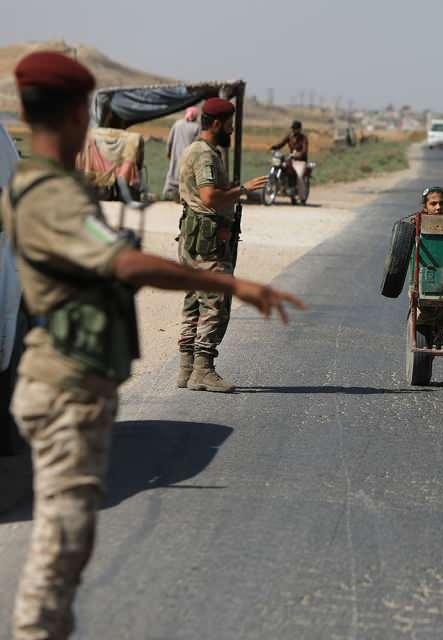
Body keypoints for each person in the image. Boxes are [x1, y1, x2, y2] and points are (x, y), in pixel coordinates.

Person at [0, 52, 304, 640]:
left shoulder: (32, 184)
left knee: (64, 541)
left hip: (57, 375)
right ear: (68, 115)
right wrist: (227, 281)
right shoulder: (47, 193)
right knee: (61, 543)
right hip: (63, 385)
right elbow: (126, 263)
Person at [176, 99, 270, 392]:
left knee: (194, 301)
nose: (231, 129)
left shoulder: (196, 150)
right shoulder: (205, 156)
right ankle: (203, 369)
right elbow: (209, 197)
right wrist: (243, 190)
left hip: (192, 236)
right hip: (208, 240)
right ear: (216, 124)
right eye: (229, 124)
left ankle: (187, 369)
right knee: (215, 303)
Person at [162, 106, 200, 201]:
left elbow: (170, 140)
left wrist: (168, 152)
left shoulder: (177, 124)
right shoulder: (197, 127)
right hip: (188, 157)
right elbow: (197, 144)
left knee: (172, 173)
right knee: (186, 177)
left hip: (175, 154)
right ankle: (184, 197)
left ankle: (167, 195)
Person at [270, 120, 309, 202]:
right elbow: (281, 143)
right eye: (293, 128)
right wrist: (274, 147)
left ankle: (302, 197)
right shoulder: (290, 136)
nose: (293, 130)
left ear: (299, 129)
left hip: (300, 161)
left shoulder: (303, 138)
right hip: (291, 159)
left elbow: (304, 151)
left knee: (299, 176)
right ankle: (283, 186)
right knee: (283, 167)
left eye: (295, 128)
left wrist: (298, 154)